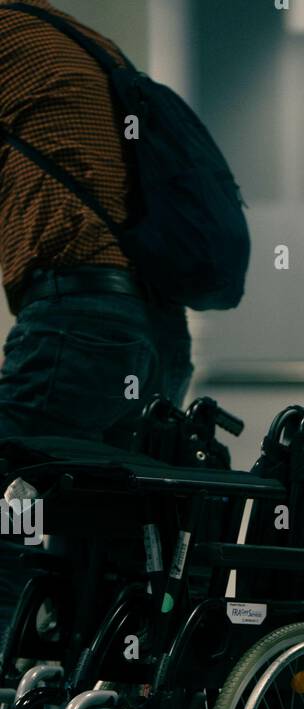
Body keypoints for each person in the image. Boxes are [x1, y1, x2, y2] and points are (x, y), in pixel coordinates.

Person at [0, 0, 194, 622]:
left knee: (11, 488)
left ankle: (11, 677)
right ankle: (84, 691)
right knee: (100, 523)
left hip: (81, 323)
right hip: (154, 329)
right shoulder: (79, 39)